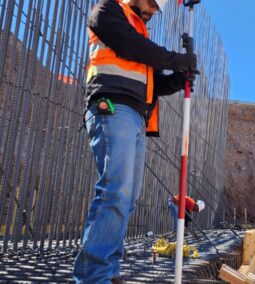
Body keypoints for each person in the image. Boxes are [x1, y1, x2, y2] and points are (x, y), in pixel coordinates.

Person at [73, 0, 198, 282]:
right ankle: (93, 276)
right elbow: (130, 46)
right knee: (114, 191)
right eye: (153, 4)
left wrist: (179, 78)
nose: (154, 11)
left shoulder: (142, 35)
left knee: (126, 198)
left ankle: (109, 271)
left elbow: (155, 84)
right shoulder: (107, 11)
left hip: (136, 118)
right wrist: (176, 59)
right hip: (112, 107)